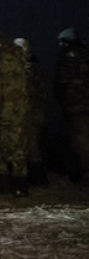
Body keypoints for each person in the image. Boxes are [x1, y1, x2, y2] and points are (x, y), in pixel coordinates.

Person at [0, 33, 30, 196]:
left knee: (14, 148)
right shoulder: (4, 59)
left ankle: (20, 186)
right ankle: (3, 184)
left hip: (10, 113)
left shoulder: (7, 59)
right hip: (3, 112)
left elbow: (1, 89)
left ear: (0, 44)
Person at [54, 28, 89, 185]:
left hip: (77, 105)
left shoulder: (70, 57)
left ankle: (84, 173)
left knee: (80, 140)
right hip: (79, 104)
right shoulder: (84, 53)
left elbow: (63, 81)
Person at [14, 38, 48, 185]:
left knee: (31, 145)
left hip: (31, 113)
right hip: (24, 113)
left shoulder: (31, 68)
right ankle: (29, 178)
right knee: (23, 145)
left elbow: (34, 92)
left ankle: (38, 179)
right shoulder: (19, 67)